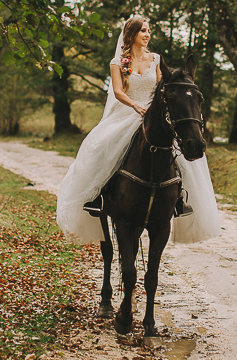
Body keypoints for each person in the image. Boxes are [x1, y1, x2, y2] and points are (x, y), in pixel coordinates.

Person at [55, 16, 222, 245]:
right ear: (131, 34)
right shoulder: (118, 63)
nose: (147, 34)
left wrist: (157, 110)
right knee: (104, 146)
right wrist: (135, 106)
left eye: (148, 30)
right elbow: (117, 91)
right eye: (143, 30)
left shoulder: (156, 60)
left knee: (176, 148)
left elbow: (162, 88)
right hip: (128, 112)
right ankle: (99, 195)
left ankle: (180, 198)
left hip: (152, 113)